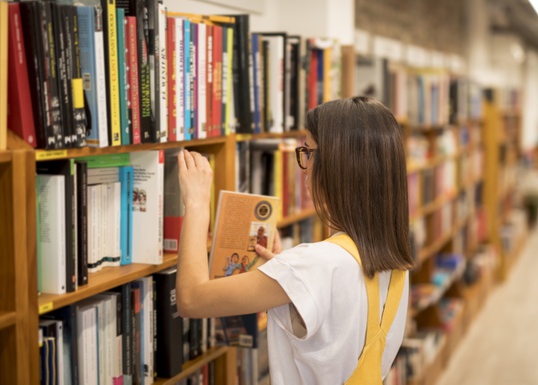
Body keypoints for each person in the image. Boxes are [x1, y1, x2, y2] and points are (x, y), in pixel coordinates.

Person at [176, 96, 414, 384]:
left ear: (338, 165)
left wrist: (197, 203)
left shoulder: (313, 265)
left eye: (308, 152)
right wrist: (284, 272)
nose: (304, 167)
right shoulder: (395, 262)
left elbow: (191, 298)